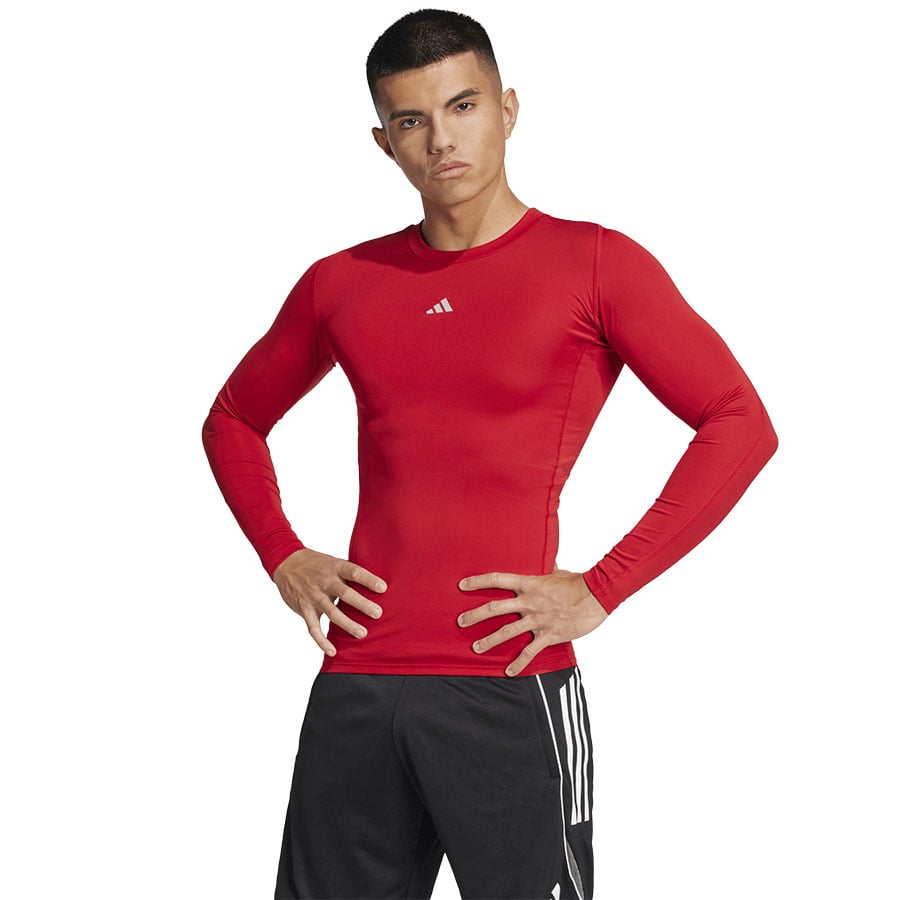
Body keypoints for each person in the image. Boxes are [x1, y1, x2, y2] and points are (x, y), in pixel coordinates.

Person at [201, 8, 778, 899]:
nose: (441, 140)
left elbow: (739, 421)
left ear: (508, 108)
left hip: (509, 681)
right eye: (411, 120)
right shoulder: (341, 283)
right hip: (358, 683)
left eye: (462, 106)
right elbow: (234, 418)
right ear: (383, 141)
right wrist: (282, 553)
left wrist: (602, 587)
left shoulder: (594, 263)